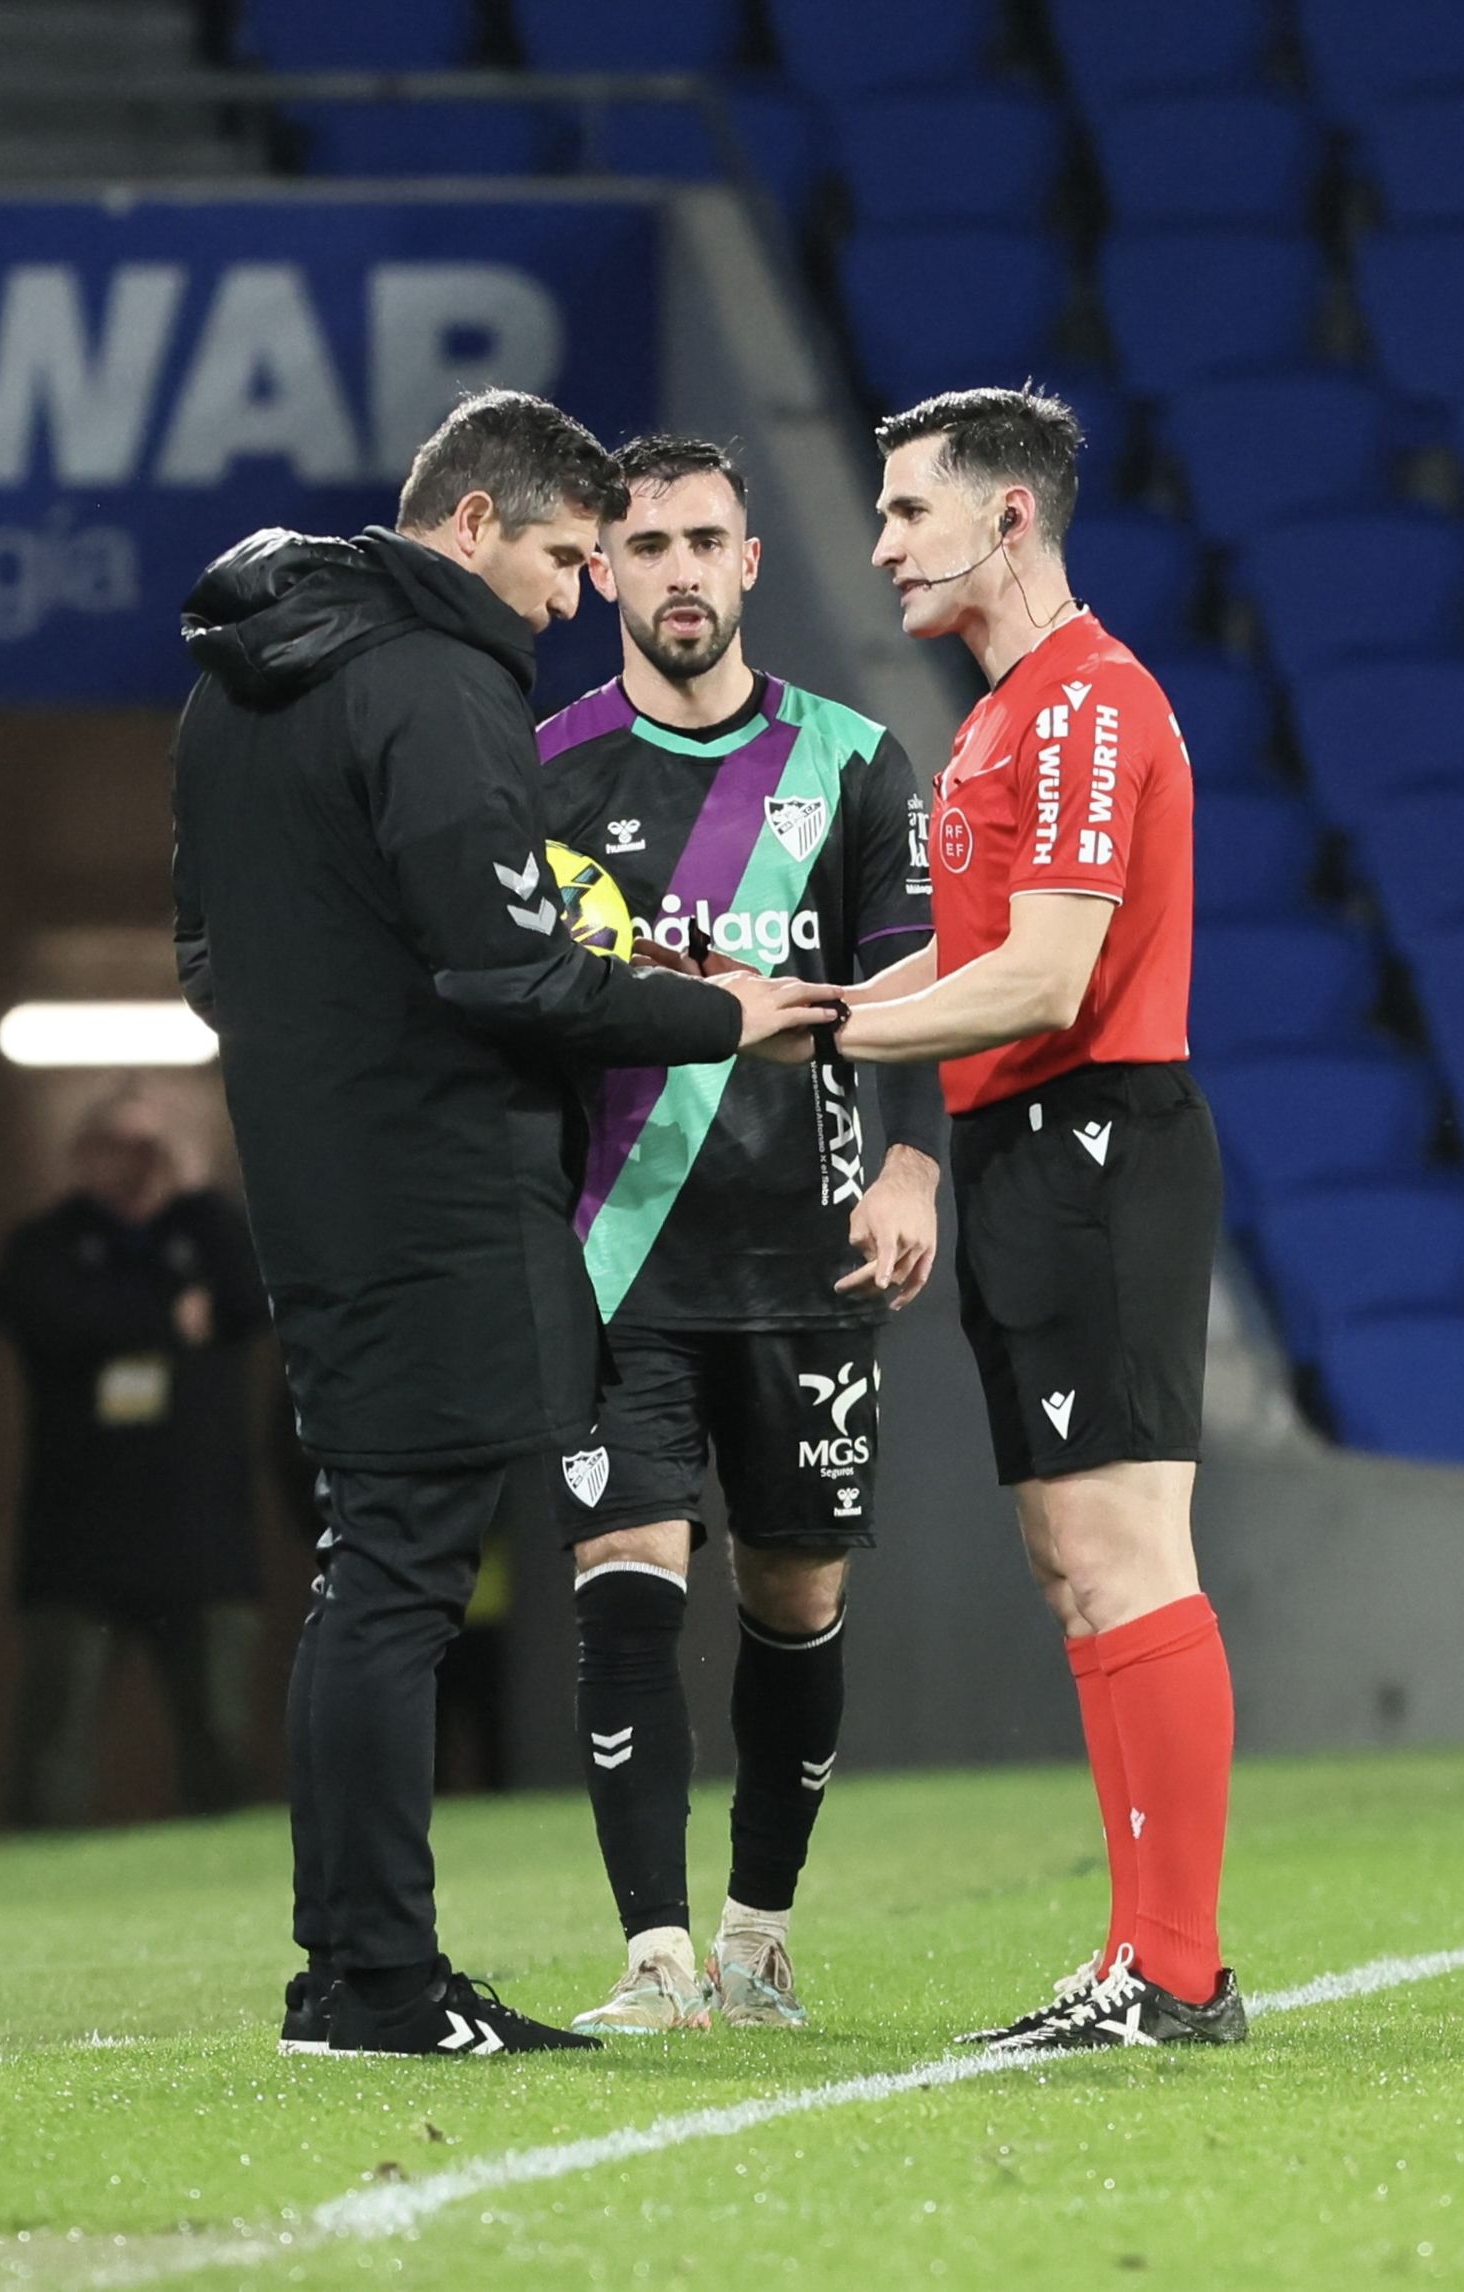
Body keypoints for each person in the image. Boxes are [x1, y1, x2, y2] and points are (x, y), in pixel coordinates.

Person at [172, 390, 839, 2063]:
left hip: (311, 1166)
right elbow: (502, 966)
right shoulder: (438, 676)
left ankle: (341, 1971)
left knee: (363, 1561)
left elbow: (206, 955)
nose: (568, 600)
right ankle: (387, 1984)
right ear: (473, 524)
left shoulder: (234, 681)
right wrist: (722, 1013)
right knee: (402, 1574)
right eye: (561, 558)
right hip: (435, 1179)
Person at [838, 383, 1243, 2052]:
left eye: (907, 513)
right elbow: (970, 957)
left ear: (1007, 517)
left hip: (1096, 1144)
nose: (880, 546)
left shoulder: (1083, 704)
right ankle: (1138, 1956)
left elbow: (1052, 970)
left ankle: (1178, 1966)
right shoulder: (1003, 715)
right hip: (1028, 1148)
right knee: (1075, 1562)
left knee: (1128, 1551)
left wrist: (822, 1030)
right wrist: (802, 998)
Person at [540, 435, 943, 2034]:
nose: (681, 573)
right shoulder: (548, 768)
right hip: (616, 1256)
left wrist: (912, 1172)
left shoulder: (853, 762)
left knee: (791, 1597)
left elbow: (921, 1003)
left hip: (806, 1258)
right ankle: (651, 1959)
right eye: (648, 547)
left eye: (708, 540)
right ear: (607, 573)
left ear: (754, 562)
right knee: (623, 1578)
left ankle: (758, 1932)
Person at [0, 1084, 267, 1827]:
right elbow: (55, 1321)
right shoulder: (46, 1243)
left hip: (199, 1534)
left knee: (219, 1732)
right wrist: (169, 1319)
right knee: (55, 1734)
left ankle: (232, 1894)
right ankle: (38, 1895)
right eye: (119, 1145)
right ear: (81, 1155)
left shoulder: (207, 1232)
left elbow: (256, 1300)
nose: (135, 1164)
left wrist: (192, 1186)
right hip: (78, 1538)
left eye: (151, 1146)